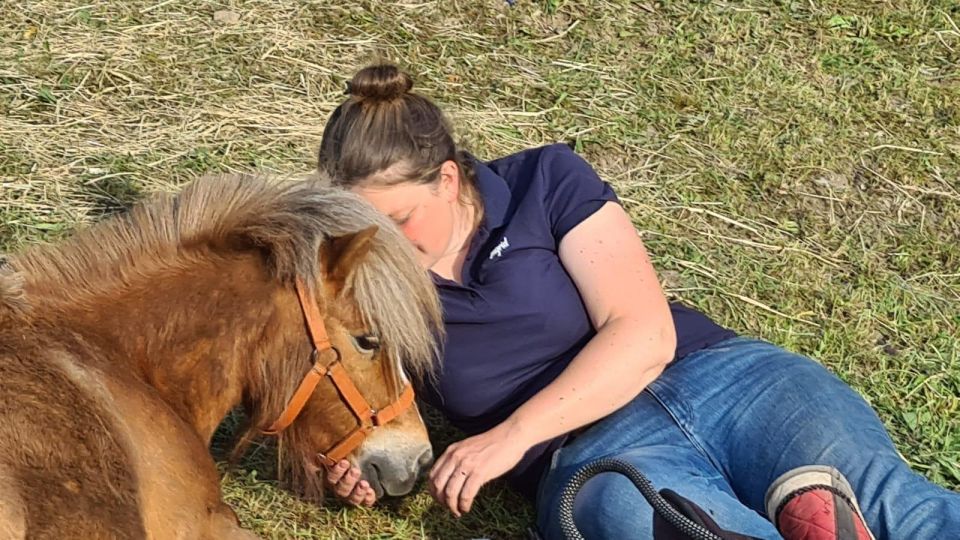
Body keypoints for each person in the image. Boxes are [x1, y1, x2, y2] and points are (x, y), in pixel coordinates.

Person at [316, 64, 960, 539]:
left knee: (906, 510)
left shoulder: (544, 180)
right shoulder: (361, 280)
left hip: (725, 379)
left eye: (399, 219)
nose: (385, 246)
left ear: (449, 180)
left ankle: (828, 510)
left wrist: (509, 436)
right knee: (646, 520)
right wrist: (356, 460)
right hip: (596, 455)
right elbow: (369, 400)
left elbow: (644, 334)